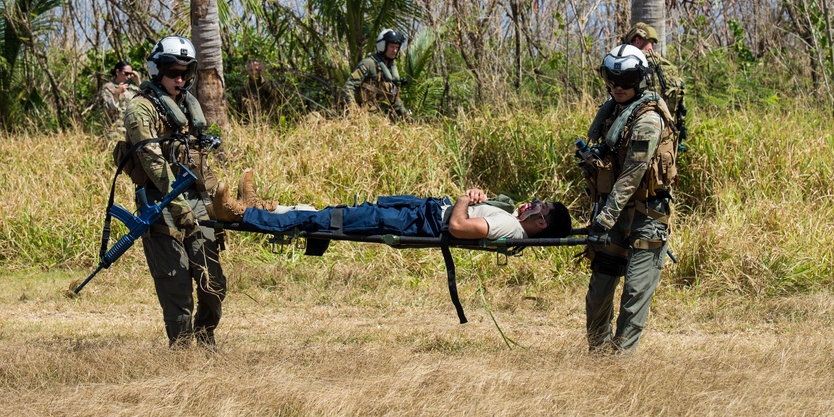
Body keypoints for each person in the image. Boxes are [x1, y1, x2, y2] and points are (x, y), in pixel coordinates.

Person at [122, 36, 226, 349]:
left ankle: (206, 339)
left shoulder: (187, 108)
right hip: (159, 202)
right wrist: (179, 207)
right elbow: (154, 164)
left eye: (185, 72)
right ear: (157, 71)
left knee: (213, 281)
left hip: (196, 200)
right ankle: (181, 352)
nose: (179, 79)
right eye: (172, 72)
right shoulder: (140, 109)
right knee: (176, 284)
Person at [581, 44, 678, 354]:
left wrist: (603, 219)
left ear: (640, 79)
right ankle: (598, 355)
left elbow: (632, 176)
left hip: (646, 218)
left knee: (634, 294)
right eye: (612, 79)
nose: (618, 87)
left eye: (626, 79)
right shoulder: (614, 112)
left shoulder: (647, 120)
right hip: (613, 216)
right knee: (599, 291)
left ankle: (621, 363)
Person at [209, 175, 571, 242]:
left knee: (333, 220)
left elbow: (460, 228)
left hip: (421, 223)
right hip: (423, 212)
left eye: (538, 206)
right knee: (334, 214)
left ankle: (242, 215)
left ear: (540, 222)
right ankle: (264, 209)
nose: (531, 203)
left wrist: (465, 199)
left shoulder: (512, 229)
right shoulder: (514, 219)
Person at [588, 22, 687, 145]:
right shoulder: (671, 68)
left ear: (637, 40)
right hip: (668, 137)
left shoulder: (634, 64)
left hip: (636, 132)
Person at [343, 30, 411, 119]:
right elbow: (349, 86)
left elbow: (394, 96)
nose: (394, 50)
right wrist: (352, 110)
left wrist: (406, 116)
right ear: (382, 46)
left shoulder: (391, 69)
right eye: (391, 46)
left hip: (384, 118)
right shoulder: (369, 64)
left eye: (397, 47)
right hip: (365, 116)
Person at [98, 60, 140, 137]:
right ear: (117, 72)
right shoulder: (108, 88)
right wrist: (117, 94)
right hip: (115, 131)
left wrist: (138, 82)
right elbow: (108, 111)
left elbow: (146, 99)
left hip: (132, 131)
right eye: (126, 74)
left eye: (131, 74)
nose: (129, 77)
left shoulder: (133, 89)